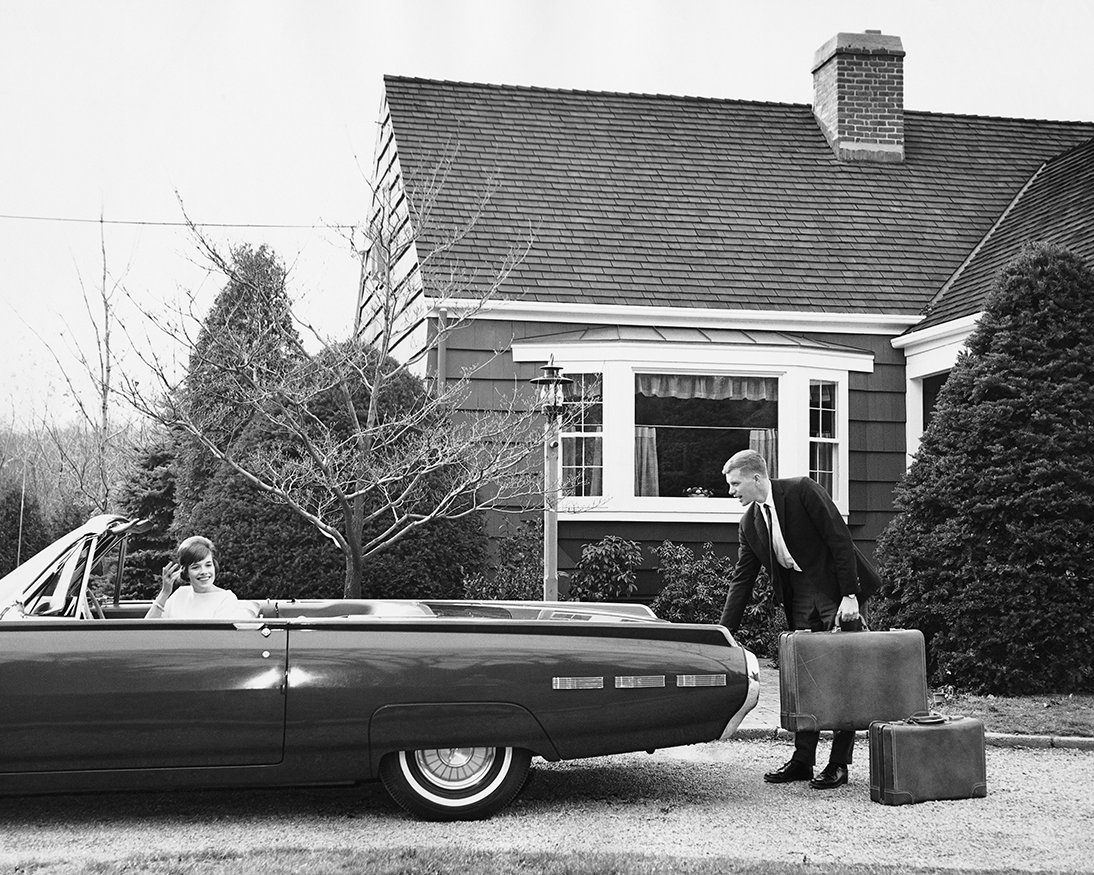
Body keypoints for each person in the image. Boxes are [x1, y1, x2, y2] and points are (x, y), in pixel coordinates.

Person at [719, 449, 879, 790]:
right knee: (806, 679)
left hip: (837, 588)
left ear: (756, 478)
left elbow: (839, 538)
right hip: (800, 595)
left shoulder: (802, 490)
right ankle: (803, 761)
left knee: (842, 675)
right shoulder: (749, 522)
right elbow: (742, 579)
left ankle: (838, 764)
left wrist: (849, 595)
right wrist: (724, 630)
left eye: (735, 484)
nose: (732, 491)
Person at [145, 536, 258, 620]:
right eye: (196, 567)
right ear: (186, 572)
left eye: (208, 565)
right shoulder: (180, 594)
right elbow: (145, 632)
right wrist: (164, 593)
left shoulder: (226, 599)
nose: (204, 572)